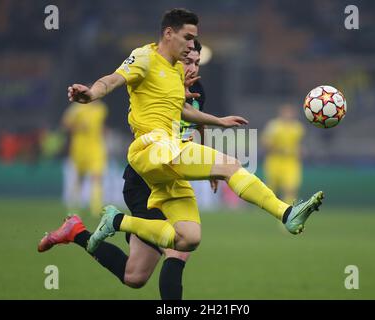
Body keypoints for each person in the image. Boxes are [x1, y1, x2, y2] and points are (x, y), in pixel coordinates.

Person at [41, 7, 323, 297]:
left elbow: (181, 110)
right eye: (188, 38)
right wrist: (91, 93)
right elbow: (113, 79)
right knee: (231, 165)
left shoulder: (178, 72)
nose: (191, 46)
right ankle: (286, 214)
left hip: (171, 158)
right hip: (151, 149)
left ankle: (111, 222)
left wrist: (217, 121)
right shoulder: (145, 57)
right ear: (168, 33)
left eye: (195, 40)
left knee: (186, 242)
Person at [38, 39, 213, 300]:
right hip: (148, 177)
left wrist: (207, 163)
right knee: (180, 247)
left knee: (134, 276)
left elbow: (196, 123)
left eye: (197, 62)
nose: (193, 68)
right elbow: (114, 82)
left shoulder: (196, 89)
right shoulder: (157, 85)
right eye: (188, 61)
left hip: (170, 177)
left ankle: (76, 232)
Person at [61, 100, 108, 216]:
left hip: (96, 148)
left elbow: (100, 126)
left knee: (97, 177)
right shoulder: (77, 108)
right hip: (79, 149)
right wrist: (78, 127)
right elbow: (65, 123)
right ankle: (74, 205)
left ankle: (96, 209)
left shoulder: (101, 109)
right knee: (79, 178)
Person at [261, 104, 305, 204]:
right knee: (270, 190)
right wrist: (276, 148)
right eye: (286, 112)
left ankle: (288, 212)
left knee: (290, 188)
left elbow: (299, 144)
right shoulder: (273, 126)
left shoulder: (298, 127)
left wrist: (300, 151)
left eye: (290, 112)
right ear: (281, 113)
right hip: (274, 160)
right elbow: (265, 142)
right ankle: (269, 209)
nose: (288, 115)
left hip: (291, 162)